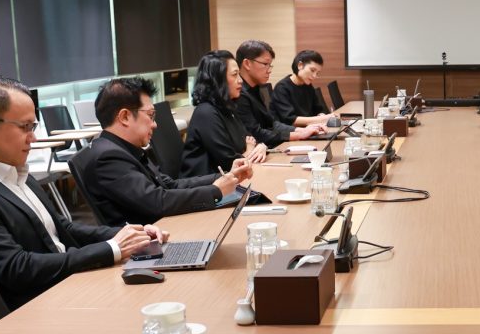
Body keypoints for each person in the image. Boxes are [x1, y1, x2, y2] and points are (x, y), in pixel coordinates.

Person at [0, 76, 161, 310]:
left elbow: (63, 228)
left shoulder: (14, 169)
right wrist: (111, 249)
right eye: (25, 127)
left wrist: (131, 234)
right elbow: (17, 268)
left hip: (67, 285)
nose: (33, 138)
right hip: (38, 307)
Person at [76, 77, 253, 227]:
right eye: (150, 115)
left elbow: (170, 186)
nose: (155, 124)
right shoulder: (108, 157)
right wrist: (215, 191)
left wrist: (224, 177)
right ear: (125, 117)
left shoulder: (124, 148)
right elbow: (157, 202)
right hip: (150, 241)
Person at [182, 50, 267, 178]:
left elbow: (249, 138)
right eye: (234, 75)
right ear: (217, 79)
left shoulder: (227, 107)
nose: (240, 80)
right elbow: (229, 163)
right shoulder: (206, 113)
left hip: (229, 180)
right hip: (205, 184)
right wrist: (249, 150)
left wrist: (261, 146)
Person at [235, 39, 326, 147]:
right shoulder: (239, 93)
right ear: (247, 64)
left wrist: (301, 130)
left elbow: (271, 124)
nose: (269, 70)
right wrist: (298, 134)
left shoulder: (255, 88)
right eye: (265, 64)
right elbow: (255, 133)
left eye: (270, 65)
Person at [271, 49, 331, 127]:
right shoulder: (282, 88)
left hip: (309, 129)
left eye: (317, 73)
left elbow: (318, 109)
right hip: (292, 132)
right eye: (312, 70)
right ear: (300, 65)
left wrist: (322, 115)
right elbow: (290, 120)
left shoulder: (308, 86)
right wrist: (322, 119)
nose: (314, 76)